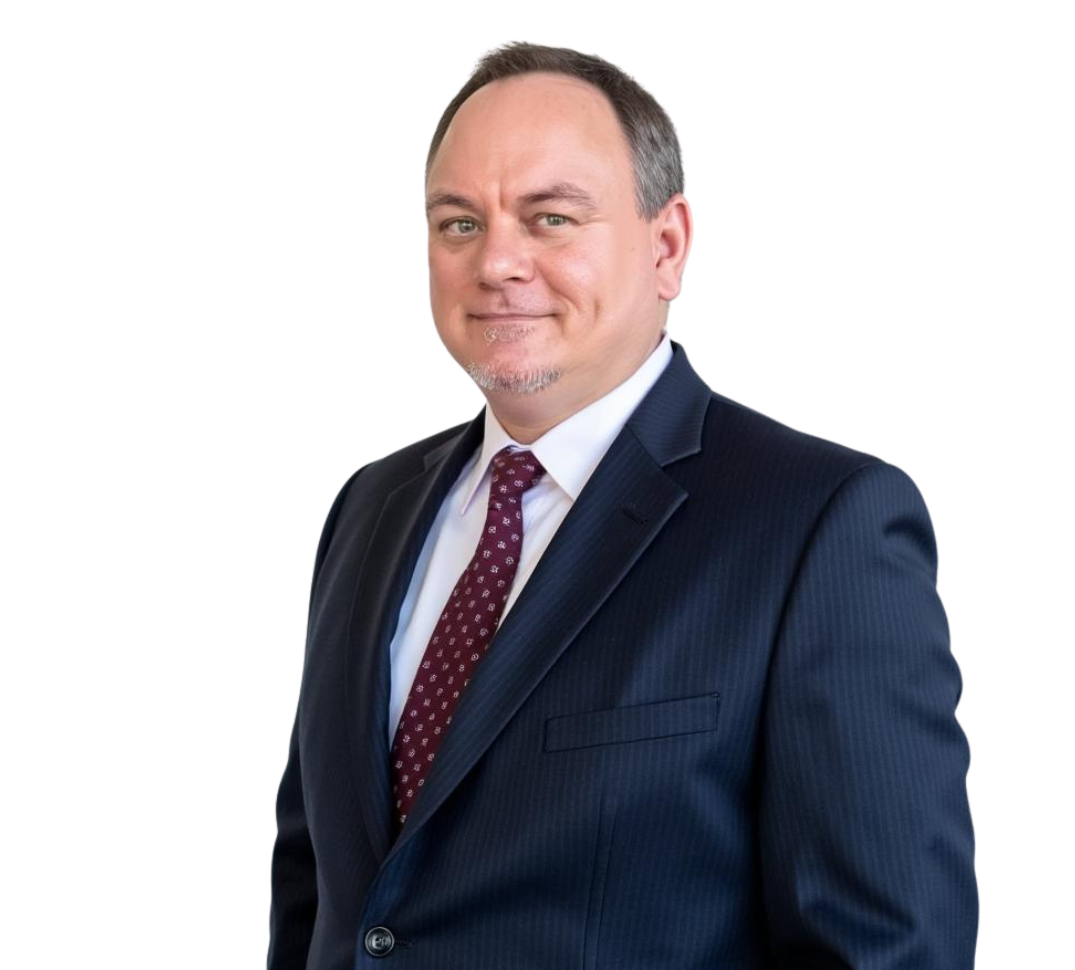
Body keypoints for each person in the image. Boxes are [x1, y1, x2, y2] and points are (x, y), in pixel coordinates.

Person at [267, 40, 978, 970]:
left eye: (551, 218)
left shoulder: (822, 522)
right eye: (458, 224)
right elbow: (313, 883)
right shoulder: (370, 504)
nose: (499, 264)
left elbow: (891, 951)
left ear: (668, 245)